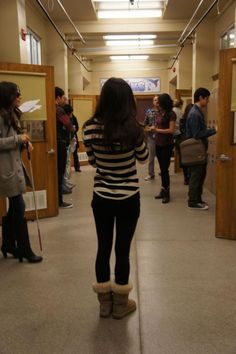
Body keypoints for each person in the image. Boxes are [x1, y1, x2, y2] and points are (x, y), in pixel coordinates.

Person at [83, 77, 148, 319]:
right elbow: (142, 158)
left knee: (103, 247)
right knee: (122, 250)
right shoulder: (134, 128)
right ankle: (121, 304)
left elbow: (92, 161)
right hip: (129, 198)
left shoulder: (89, 127)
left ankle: (104, 304)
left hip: (101, 196)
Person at [0, 81, 43, 263]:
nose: (19, 97)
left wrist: (25, 142)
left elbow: (14, 140)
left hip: (14, 165)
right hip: (5, 168)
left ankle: (9, 243)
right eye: (16, 94)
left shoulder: (11, 114)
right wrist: (19, 138)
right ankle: (24, 249)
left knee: (16, 208)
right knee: (19, 208)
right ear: (7, 97)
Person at [186, 87, 216, 210]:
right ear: (201, 98)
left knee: (200, 174)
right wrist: (214, 130)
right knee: (196, 175)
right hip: (196, 150)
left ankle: (197, 199)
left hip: (199, 149)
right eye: (207, 99)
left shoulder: (196, 111)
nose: (208, 101)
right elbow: (197, 134)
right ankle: (193, 201)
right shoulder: (194, 113)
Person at [152, 93, 176, 203]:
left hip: (166, 144)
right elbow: (158, 126)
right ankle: (163, 189)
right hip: (158, 143)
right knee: (161, 169)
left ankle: (167, 193)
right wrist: (153, 128)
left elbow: (171, 130)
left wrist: (157, 130)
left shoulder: (171, 114)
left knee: (165, 170)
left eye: (159, 102)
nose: (157, 104)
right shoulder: (159, 113)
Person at [55, 87, 74, 208]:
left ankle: (55, 200)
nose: (64, 100)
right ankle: (59, 201)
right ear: (58, 98)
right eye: (63, 98)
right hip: (60, 144)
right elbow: (69, 126)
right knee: (60, 173)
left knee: (56, 173)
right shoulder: (59, 110)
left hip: (54, 144)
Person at [143, 95, 159, 181]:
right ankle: (151, 174)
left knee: (162, 157)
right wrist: (148, 128)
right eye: (155, 100)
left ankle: (163, 171)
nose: (157, 101)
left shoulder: (163, 112)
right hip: (151, 137)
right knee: (151, 157)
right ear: (153, 102)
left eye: (158, 100)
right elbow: (145, 124)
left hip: (161, 137)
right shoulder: (148, 112)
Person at [179, 103, 193, 185]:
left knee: (188, 161)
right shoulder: (183, 120)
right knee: (186, 161)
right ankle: (186, 177)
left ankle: (188, 177)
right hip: (186, 142)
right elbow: (182, 130)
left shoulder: (185, 119)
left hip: (186, 142)